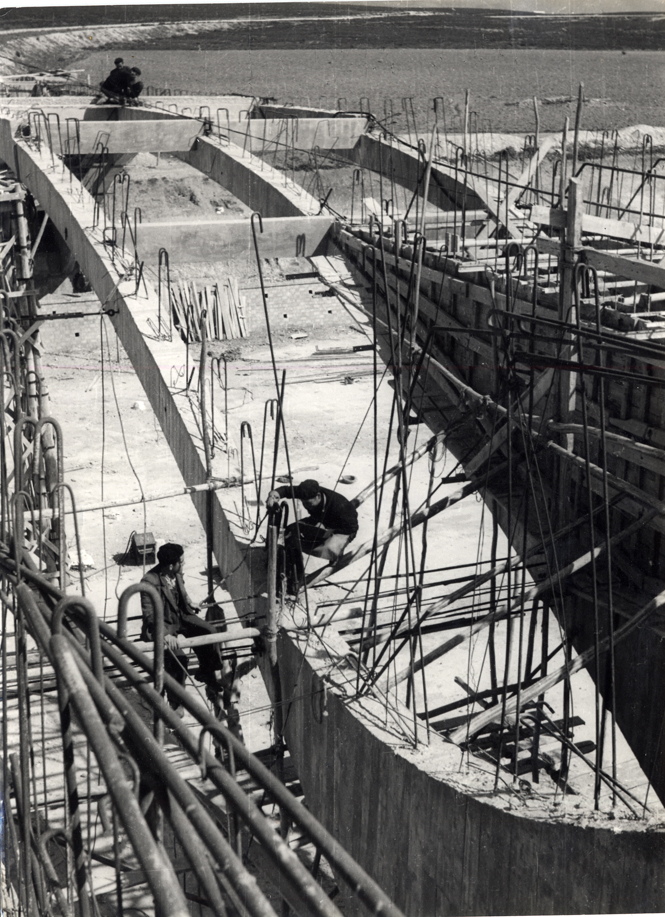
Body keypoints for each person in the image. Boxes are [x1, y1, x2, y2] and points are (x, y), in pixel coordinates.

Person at [140, 543, 222, 714]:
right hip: (164, 624)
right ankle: (176, 701)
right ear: (171, 565)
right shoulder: (149, 582)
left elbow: (181, 591)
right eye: (181, 562)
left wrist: (190, 601)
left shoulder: (175, 573)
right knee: (179, 659)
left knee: (210, 632)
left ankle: (206, 672)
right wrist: (164, 635)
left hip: (182, 616)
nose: (183, 564)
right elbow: (150, 615)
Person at [266, 479, 358, 595]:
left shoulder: (340, 506)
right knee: (290, 532)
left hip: (342, 529)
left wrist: (333, 537)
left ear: (318, 496)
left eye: (308, 504)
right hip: (320, 520)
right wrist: (273, 495)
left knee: (331, 550)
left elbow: (352, 528)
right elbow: (285, 490)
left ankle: (333, 552)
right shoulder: (305, 493)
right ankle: (296, 575)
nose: (306, 506)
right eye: (303, 503)